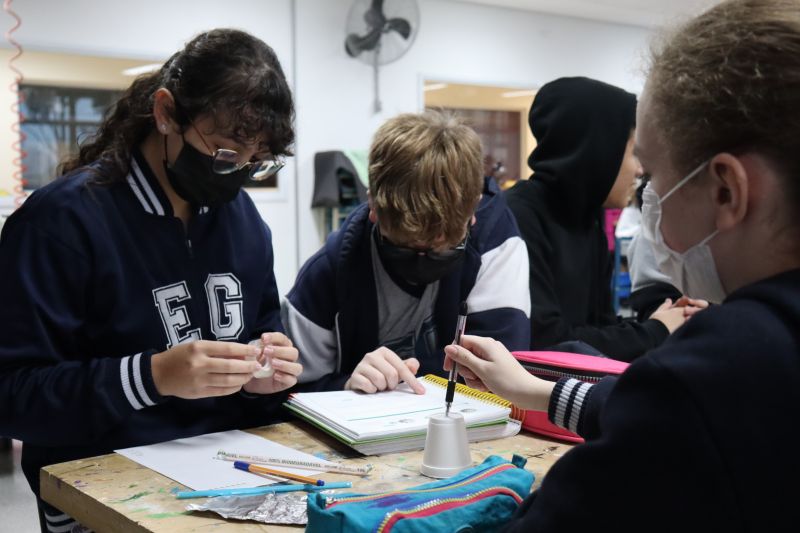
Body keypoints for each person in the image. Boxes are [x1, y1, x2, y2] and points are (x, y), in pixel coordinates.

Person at [444, 0, 800, 529]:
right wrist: (539, 391)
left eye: (652, 174)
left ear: (727, 190)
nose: (642, 188)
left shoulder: (724, 369)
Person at [0, 29, 302, 532]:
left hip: (228, 478)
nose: (237, 174)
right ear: (166, 114)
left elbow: (261, 339)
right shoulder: (61, 223)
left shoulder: (244, 223)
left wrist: (264, 378)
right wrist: (152, 377)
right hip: (101, 488)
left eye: (256, 161)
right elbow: (12, 395)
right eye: (225, 153)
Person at [284, 111, 530, 393]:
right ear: (373, 207)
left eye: (440, 250)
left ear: (472, 210)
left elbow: (502, 374)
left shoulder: (497, 247)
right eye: (404, 247)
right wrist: (347, 386)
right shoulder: (329, 271)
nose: (421, 261)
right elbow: (289, 391)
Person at [504, 77, 696, 361]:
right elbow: (547, 343)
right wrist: (654, 331)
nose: (640, 170)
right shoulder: (519, 217)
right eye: (633, 153)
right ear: (597, 150)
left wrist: (664, 321)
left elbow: (598, 327)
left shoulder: (587, 219)